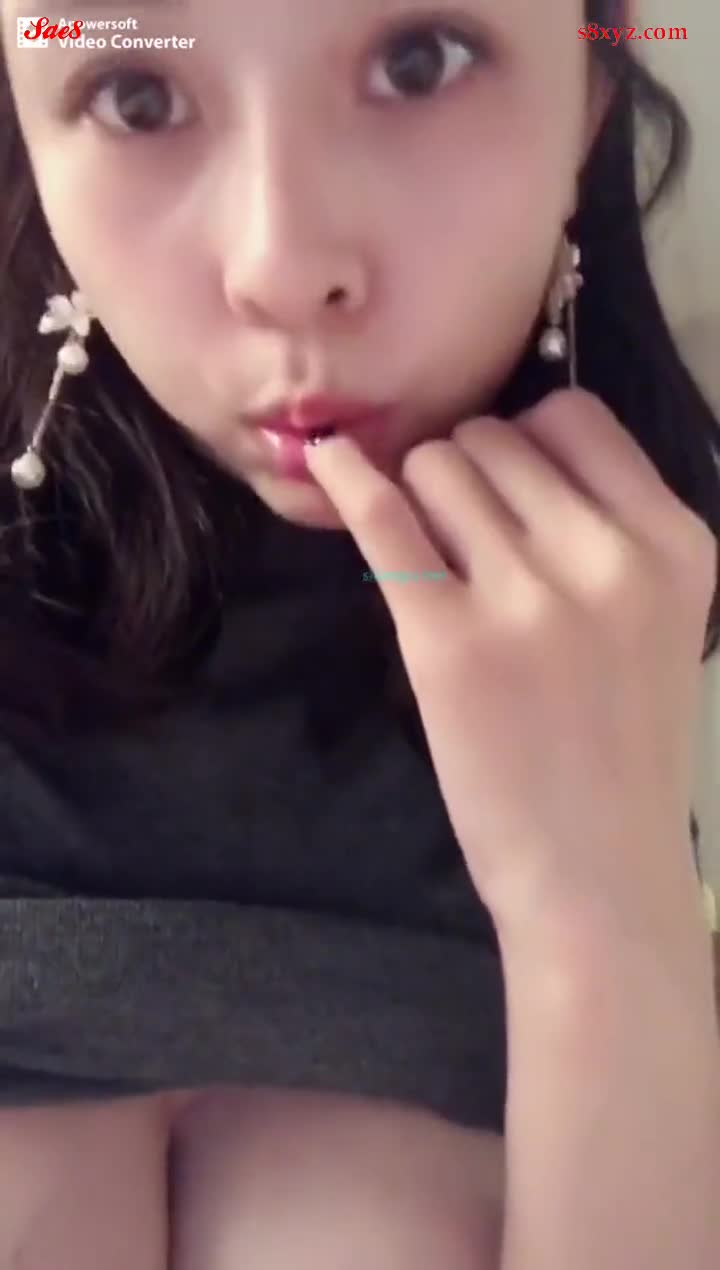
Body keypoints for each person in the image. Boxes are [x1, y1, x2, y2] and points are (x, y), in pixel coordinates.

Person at [0, 1, 718, 1267]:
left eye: (419, 63)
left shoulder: (597, 685)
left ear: (588, 106)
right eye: (134, 94)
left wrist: (606, 902)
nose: (282, 266)